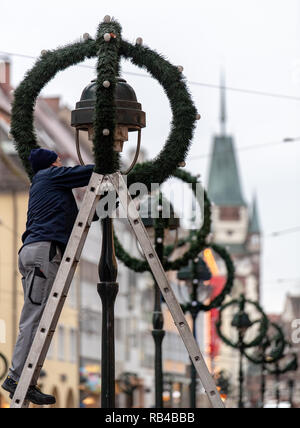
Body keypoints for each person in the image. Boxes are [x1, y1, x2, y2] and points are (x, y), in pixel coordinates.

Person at [1, 148, 94, 406]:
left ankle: (25, 380)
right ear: (50, 164)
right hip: (43, 252)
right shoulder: (49, 176)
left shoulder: (50, 188)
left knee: (38, 314)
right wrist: (110, 164)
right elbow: (88, 172)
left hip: (37, 251)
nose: (61, 162)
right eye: (58, 160)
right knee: (34, 318)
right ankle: (16, 376)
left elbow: (79, 220)